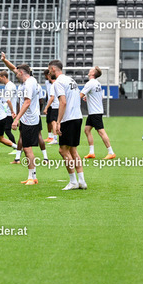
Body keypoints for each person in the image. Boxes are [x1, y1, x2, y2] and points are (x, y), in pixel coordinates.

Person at [1, 53, 41, 185]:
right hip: (26, 119)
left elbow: (27, 102)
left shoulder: (29, 83)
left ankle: (33, 177)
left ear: (22, 72)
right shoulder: (26, 80)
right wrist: (5, 60)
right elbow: (13, 68)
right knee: (26, 147)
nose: (15, 74)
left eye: (17, 73)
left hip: (30, 119)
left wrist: (16, 119)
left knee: (28, 149)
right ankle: (31, 176)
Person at [49, 60, 87, 190]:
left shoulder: (58, 82)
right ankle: (81, 181)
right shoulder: (71, 80)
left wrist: (58, 121)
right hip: (77, 117)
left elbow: (63, 102)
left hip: (68, 119)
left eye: (49, 70)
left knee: (63, 150)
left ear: (53, 69)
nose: (49, 72)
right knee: (73, 150)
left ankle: (73, 181)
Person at [82, 66, 115, 159]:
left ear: (93, 73)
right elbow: (99, 96)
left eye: (91, 69)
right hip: (94, 111)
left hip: (95, 112)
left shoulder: (90, 83)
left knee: (101, 131)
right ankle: (91, 152)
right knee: (87, 130)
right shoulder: (97, 83)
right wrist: (88, 97)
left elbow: (80, 95)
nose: (89, 70)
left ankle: (111, 152)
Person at [0, 71, 18, 149]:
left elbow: (8, 100)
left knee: (6, 130)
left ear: (4, 77)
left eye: (0, 78)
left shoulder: (9, 87)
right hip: (8, 111)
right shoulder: (10, 85)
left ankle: (16, 147)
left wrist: (12, 111)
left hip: (8, 112)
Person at [42, 69, 59, 145]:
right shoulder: (58, 84)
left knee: (53, 122)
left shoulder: (53, 85)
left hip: (54, 105)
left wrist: (46, 107)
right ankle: (54, 137)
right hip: (59, 105)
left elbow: (52, 98)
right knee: (57, 122)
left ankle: (54, 138)